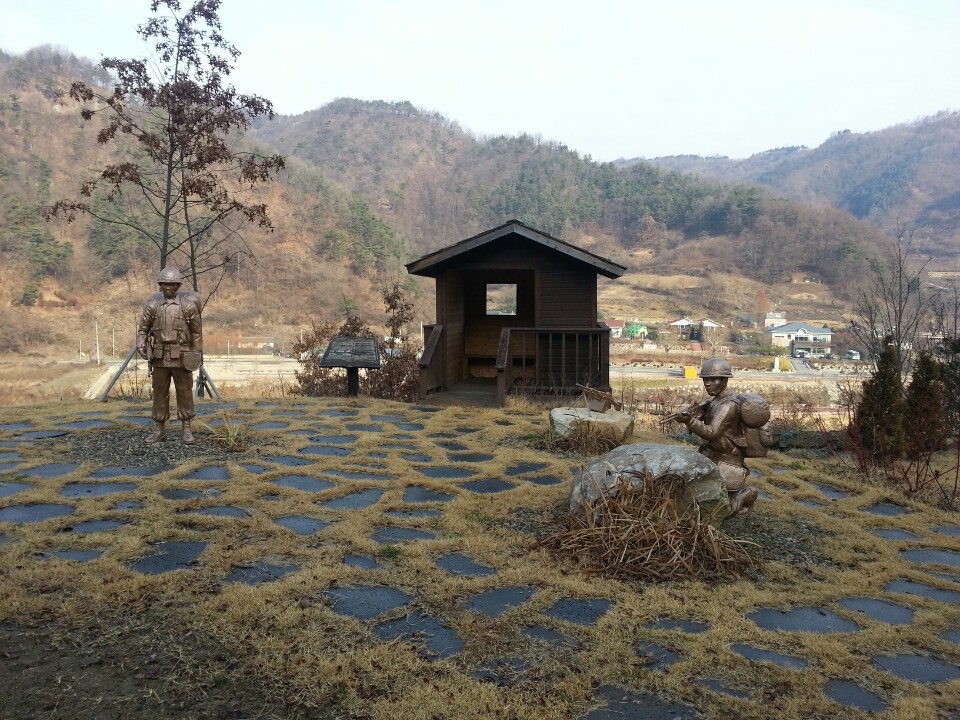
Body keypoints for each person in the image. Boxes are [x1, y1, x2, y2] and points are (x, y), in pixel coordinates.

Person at [674, 357, 759, 516]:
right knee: (695, 492)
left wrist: (690, 421)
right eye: (706, 379)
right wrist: (696, 412)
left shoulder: (728, 405)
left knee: (718, 511)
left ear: (724, 381)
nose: (708, 383)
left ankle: (747, 494)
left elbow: (712, 433)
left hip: (726, 458)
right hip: (711, 453)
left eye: (713, 379)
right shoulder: (714, 402)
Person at [136, 267, 203, 444]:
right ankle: (159, 429)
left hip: (181, 355)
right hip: (159, 356)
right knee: (159, 392)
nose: (168, 288)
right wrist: (141, 343)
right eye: (165, 285)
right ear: (160, 285)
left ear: (178, 285)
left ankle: (186, 428)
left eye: (172, 285)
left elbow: (196, 333)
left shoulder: (188, 306)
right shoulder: (152, 305)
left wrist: (196, 353)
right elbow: (142, 329)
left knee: (184, 391)